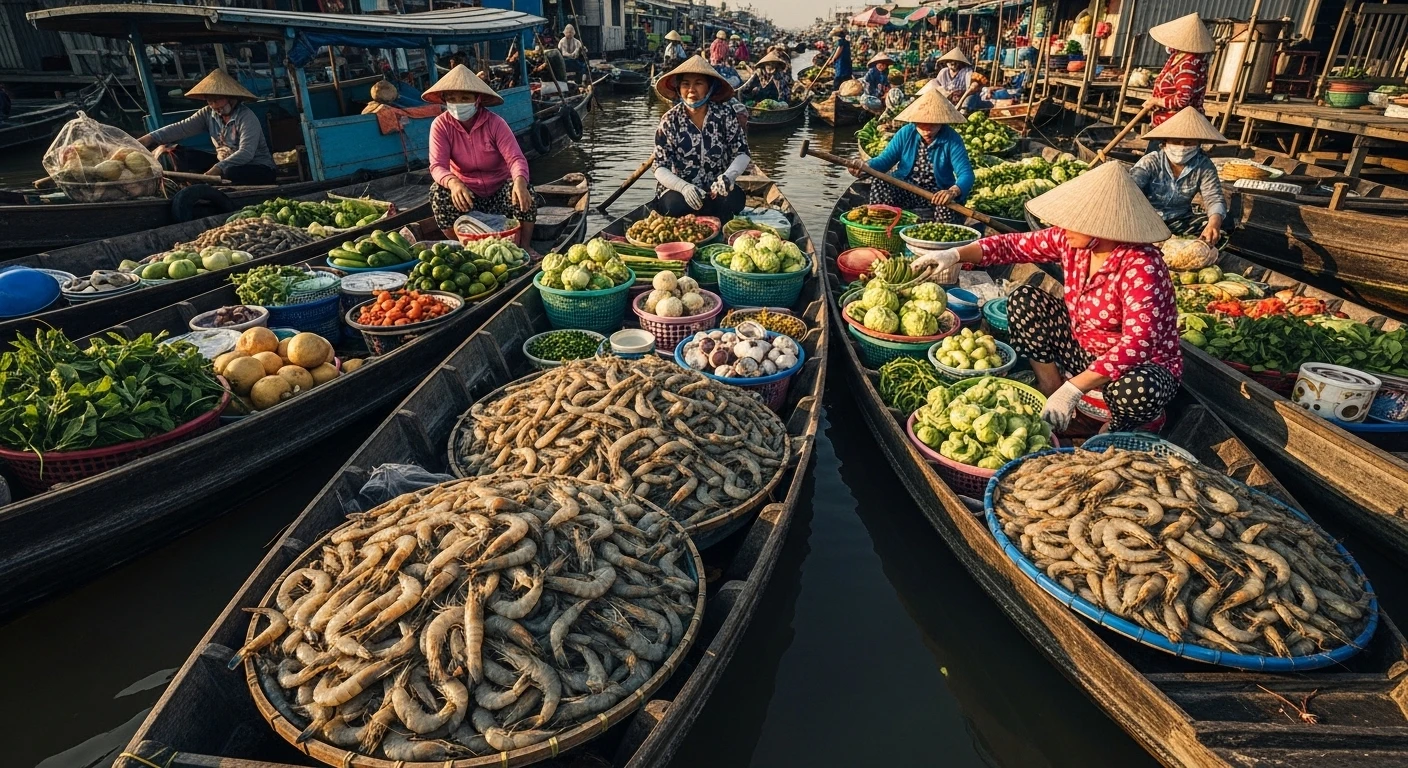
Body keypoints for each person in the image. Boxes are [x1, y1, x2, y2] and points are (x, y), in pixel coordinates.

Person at [912, 163, 1180, 433]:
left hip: (1139, 368)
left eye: (1073, 221)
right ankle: (1050, 390)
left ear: (1101, 227)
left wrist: (1073, 389)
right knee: (1025, 300)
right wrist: (954, 255)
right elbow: (1011, 245)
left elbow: (1138, 344)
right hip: (1085, 348)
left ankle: (1120, 425)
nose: (1060, 226)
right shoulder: (1070, 240)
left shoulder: (1142, 266)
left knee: (1137, 391)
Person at [423, 65, 536, 248]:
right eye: (452, 98)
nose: (458, 103)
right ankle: (462, 248)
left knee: (524, 190)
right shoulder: (441, 125)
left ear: (477, 99)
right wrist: (454, 183)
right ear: (444, 100)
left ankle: (525, 246)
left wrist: (520, 181)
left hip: (498, 189)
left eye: (465, 98)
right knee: (438, 193)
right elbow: (437, 166)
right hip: (467, 194)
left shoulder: (495, 123)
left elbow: (515, 159)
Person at [850, 89, 973, 222]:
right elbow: (885, 160)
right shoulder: (906, 133)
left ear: (942, 122)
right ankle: (883, 226)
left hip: (935, 194)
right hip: (906, 188)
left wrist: (953, 191)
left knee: (946, 207)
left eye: (933, 123)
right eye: (922, 122)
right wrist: (865, 166)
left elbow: (966, 174)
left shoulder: (952, 139)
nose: (927, 127)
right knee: (880, 182)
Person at [651, 56, 751, 220]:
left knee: (735, 200)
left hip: (715, 189)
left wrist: (728, 177)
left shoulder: (725, 115)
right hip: (680, 192)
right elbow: (659, 166)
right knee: (674, 206)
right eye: (685, 84)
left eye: (698, 83)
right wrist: (683, 187)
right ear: (678, 89)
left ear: (709, 88)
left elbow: (742, 152)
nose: (691, 89)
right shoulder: (669, 120)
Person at [137, 70, 275, 185]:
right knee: (180, 153)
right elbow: (181, 128)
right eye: (210, 100)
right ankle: (188, 185)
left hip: (257, 166)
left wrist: (218, 168)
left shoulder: (246, 117)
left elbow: (246, 153)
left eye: (217, 99)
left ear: (231, 98)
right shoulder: (208, 113)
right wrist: (149, 138)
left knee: (230, 172)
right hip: (223, 162)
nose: (214, 105)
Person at [1128, 106, 1228, 245]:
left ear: (1198, 144)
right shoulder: (1151, 161)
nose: (1182, 146)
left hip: (1180, 219)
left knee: (1220, 231)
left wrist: (1214, 224)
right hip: (1146, 219)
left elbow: (1214, 197)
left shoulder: (1204, 166)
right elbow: (1130, 189)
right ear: (1165, 142)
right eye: (1175, 141)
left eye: (1188, 143)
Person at [1145, 12, 1214, 127]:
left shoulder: (1189, 64)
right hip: (1164, 123)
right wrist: (1156, 101)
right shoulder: (1176, 58)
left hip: (1177, 126)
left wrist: (1157, 101)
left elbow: (1183, 99)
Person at [933, 47, 989, 113]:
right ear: (946, 62)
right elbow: (936, 84)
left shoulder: (966, 72)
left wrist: (960, 103)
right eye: (950, 61)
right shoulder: (943, 72)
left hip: (964, 98)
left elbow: (973, 87)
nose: (953, 63)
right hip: (949, 99)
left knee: (966, 106)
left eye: (956, 61)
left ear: (960, 62)